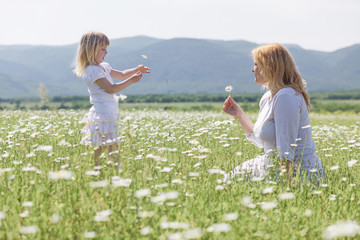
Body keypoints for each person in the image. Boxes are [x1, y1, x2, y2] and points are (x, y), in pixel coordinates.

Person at [222, 43, 324, 183]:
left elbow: (286, 152)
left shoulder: (285, 97)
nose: (253, 69)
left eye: (257, 65)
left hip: (297, 171)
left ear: (270, 67)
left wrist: (284, 192)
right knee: (228, 181)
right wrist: (238, 114)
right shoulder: (267, 98)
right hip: (272, 164)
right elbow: (260, 141)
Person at [74, 31, 150, 166]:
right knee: (104, 148)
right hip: (102, 114)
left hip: (109, 113)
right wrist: (132, 81)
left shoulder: (104, 66)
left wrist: (135, 70)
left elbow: (121, 74)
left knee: (110, 147)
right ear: (91, 50)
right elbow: (111, 89)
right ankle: (103, 172)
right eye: (103, 49)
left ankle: (108, 172)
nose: (106, 53)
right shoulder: (92, 71)